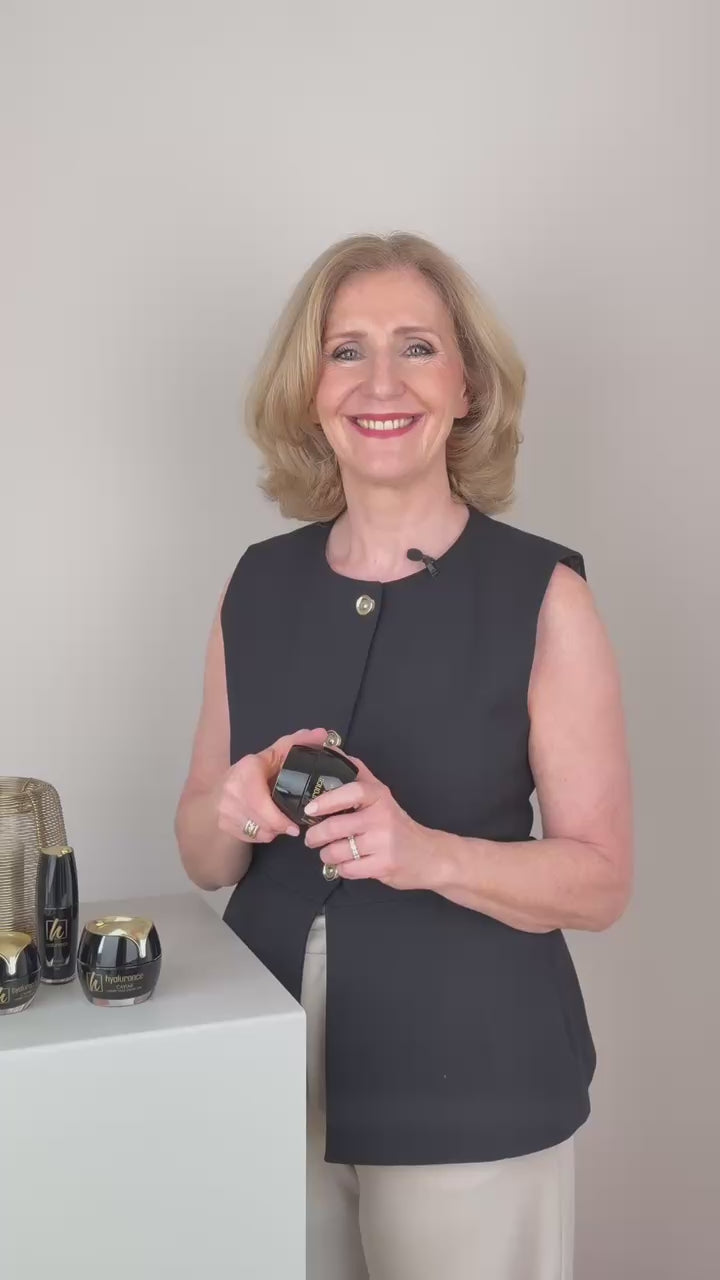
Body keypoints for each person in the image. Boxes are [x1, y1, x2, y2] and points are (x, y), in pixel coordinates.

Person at [175, 231, 633, 1280]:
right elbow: (203, 852)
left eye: (417, 347)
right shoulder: (255, 584)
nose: (380, 383)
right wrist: (238, 802)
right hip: (262, 1063)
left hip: (476, 1074)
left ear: (467, 385)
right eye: (346, 350)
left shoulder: (545, 596)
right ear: (309, 389)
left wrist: (426, 852)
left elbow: (601, 880)